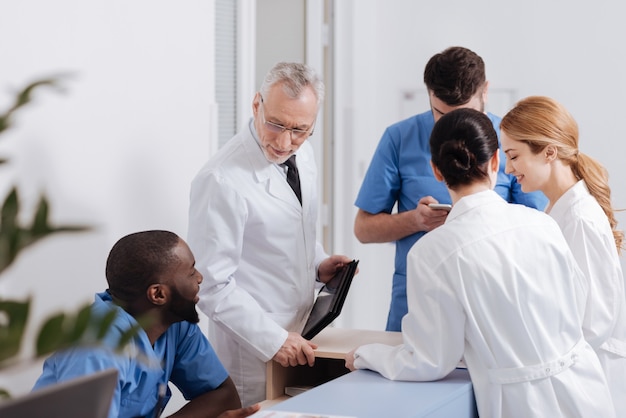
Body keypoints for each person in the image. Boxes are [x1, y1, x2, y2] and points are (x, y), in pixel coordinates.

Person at [345, 108, 615, 417]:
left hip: (522, 404)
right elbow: (577, 307)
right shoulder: (542, 223)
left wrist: (368, 356)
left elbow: (431, 359)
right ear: (496, 162)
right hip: (587, 390)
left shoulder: (432, 252)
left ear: (436, 170)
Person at [187, 62, 353, 406]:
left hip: (303, 335)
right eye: (275, 123)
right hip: (254, 349)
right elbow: (211, 284)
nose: (284, 141)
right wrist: (273, 339)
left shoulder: (303, 155)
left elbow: (294, 230)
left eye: (299, 129)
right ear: (256, 105)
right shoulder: (221, 179)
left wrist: (319, 264)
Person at [353, 46, 548, 331]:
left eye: (465, 116)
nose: (453, 131)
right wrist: (414, 220)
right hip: (416, 304)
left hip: (492, 301)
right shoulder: (398, 138)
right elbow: (363, 228)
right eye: (441, 115)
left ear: (485, 93)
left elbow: (536, 229)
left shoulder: (511, 142)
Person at [32, 230, 261, 418]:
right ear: (158, 294)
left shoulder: (176, 322)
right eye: (191, 272)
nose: (200, 277)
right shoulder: (97, 349)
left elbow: (224, 395)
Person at [500, 95, 626, 415]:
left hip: (593, 379)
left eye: (514, 156)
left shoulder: (580, 218)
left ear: (549, 152)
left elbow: (595, 323)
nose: (508, 168)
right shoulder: (558, 209)